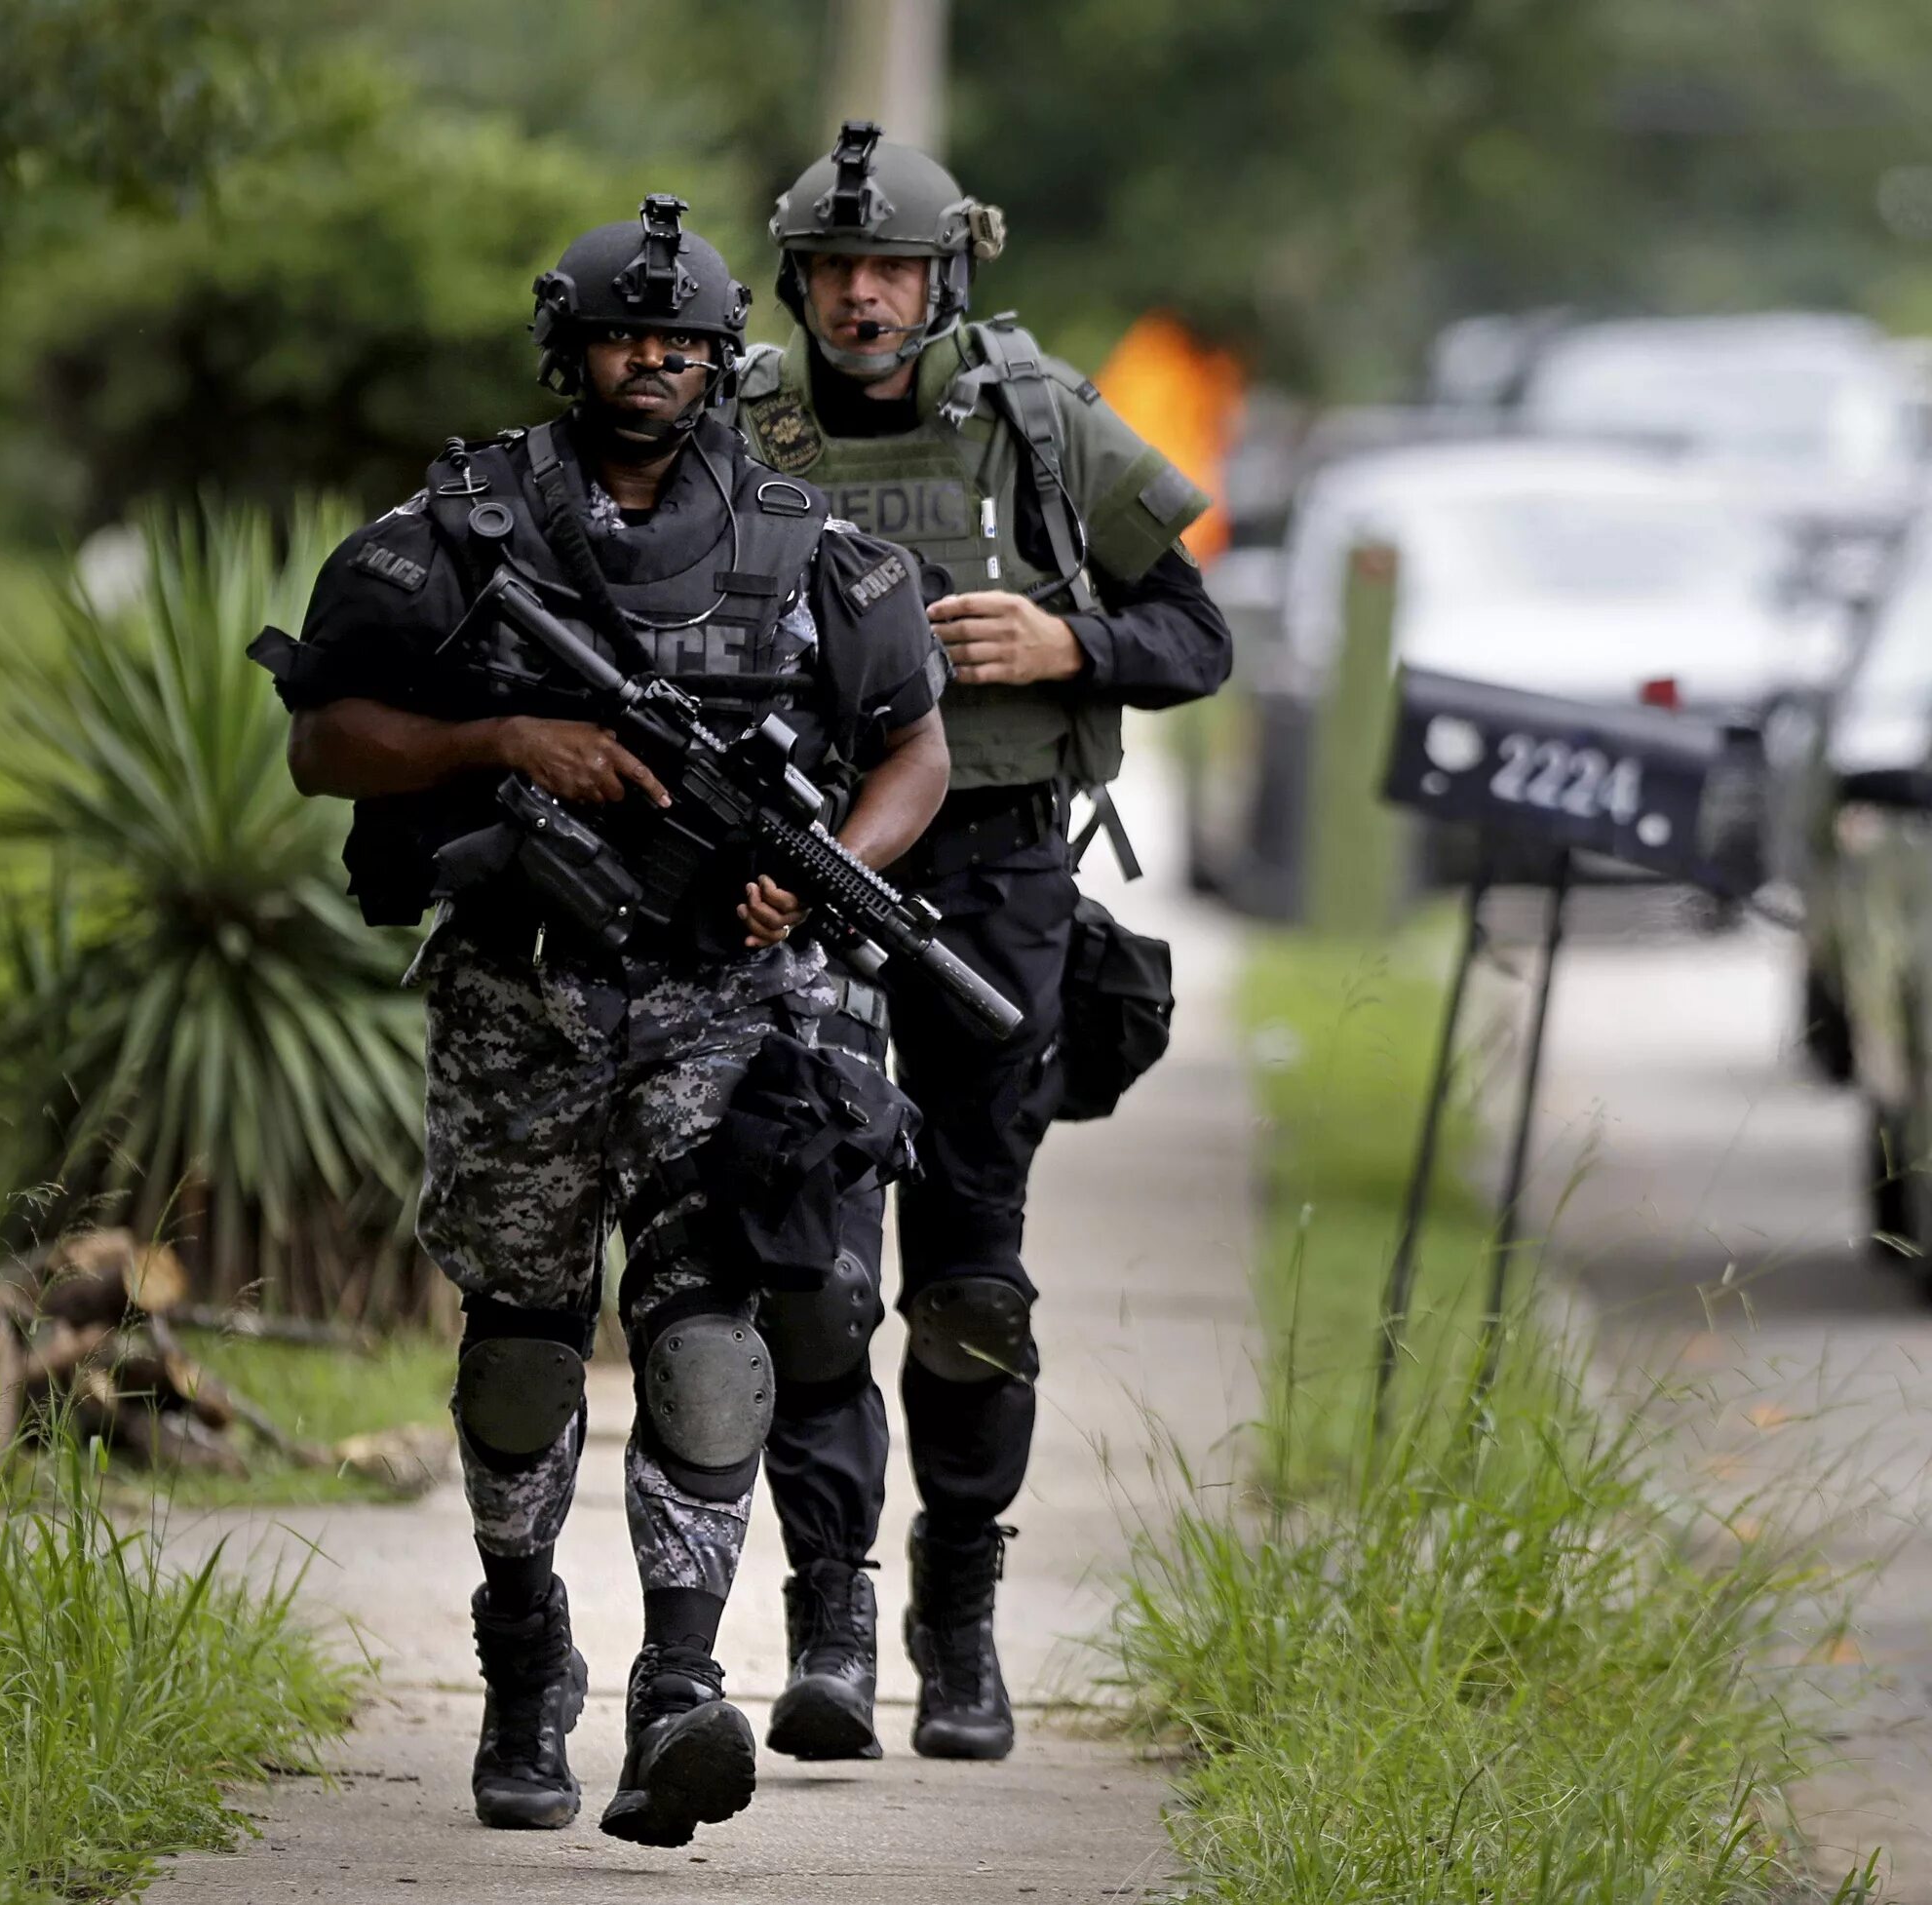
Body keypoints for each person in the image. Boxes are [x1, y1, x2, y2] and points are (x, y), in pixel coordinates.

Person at [257, 194, 949, 1845]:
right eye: (631, 336)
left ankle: (675, 1691)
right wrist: (501, 737)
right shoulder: (455, 531)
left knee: (712, 1346)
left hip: (728, 1003)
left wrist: (828, 872)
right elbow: (323, 736)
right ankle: (522, 1652)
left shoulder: (803, 544)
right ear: (571, 353)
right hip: (523, 996)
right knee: (518, 1353)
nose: (658, 361)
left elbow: (916, 741)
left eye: (689, 342)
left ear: (722, 362)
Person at [736, 122, 1229, 1764]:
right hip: (797, 877)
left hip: (997, 877)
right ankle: (829, 1618)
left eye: (892, 271)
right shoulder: (740, 430)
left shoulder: (1039, 422)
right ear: (800, 282)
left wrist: (1064, 638)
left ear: (944, 275)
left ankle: (961, 1621)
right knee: (809, 1267)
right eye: (836, 271)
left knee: (967, 1275)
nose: (864, 296)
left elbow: (1195, 637)